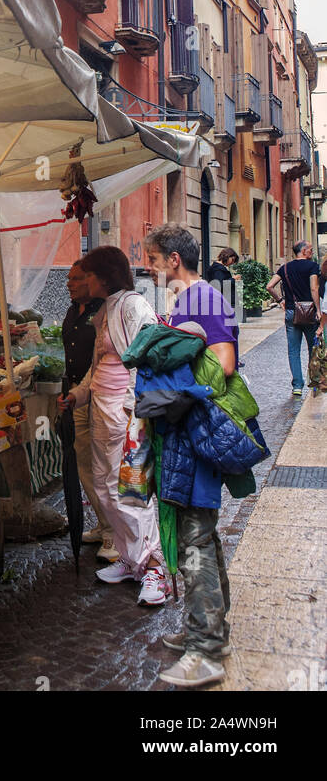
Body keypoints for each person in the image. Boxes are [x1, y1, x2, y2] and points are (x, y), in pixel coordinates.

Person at [144, 224, 239, 688]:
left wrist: (173, 382)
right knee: (202, 534)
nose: (149, 267)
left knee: (195, 539)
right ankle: (211, 631)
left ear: (173, 260)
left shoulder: (202, 299)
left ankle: (206, 652)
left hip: (196, 436)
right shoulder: (187, 299)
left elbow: (223, 363)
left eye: (153, 259)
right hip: (186, 435)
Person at [57, 246, 169, 607]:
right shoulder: (104, 311)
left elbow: (148, 357)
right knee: (106, 488)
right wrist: (79, 394)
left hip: (125, 416)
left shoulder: (134, 306)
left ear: (103, 277)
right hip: (103, 413)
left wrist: (132, 409)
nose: (82, 280)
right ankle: (130, 556)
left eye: (87, 274)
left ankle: (155, 568)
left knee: (133, 489)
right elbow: (100, 364)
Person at [61, 262, 113, 560]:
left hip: (99, 394)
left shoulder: (103, 310)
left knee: (103, 467)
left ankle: (113, 532)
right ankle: (103, 523)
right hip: (77, 396)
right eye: (68, 279)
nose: (70, 284)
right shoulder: (72, 310)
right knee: (85, 466)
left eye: (77, 279)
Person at [265, 240, 323, 397]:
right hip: (309, 311)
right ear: (303, 251)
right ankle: (315, 382)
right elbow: (314, 288)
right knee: (313, 347)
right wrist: (318, 309)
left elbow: (269, 286)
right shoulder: (312, 267)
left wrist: (280, 301)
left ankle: (297, 386)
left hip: (291, 312)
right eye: (310, 249)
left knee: (293, 350)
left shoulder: (285, 268)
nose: (311, 252)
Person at [205, 247, 239, 313]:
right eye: (232, 260)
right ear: (227, 256)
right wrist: (233, 279)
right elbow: (219, 285)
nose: (232, 263)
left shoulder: (217, 268)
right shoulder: (217, 269)